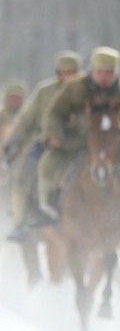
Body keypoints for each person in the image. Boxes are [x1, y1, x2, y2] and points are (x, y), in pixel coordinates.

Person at [36, 47, 120, 231]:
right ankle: (47, 209)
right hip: (74, 143)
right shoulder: (74, 88)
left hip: (111, 146)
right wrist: (54, 135)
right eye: (100, 72)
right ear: (92, 70)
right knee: (47, 164)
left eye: (109, 72)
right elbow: (54, 113)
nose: (104, 77)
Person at [3, 51, 81, 241]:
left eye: (72, 72)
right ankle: (19, 223)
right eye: (64, 72)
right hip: (43, 143)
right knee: (22, 181)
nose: (68, 76)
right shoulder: (44, 91)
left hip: (76, 144)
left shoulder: (84, 91)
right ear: (58, 73)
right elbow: (25, 119)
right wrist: (12, 141)